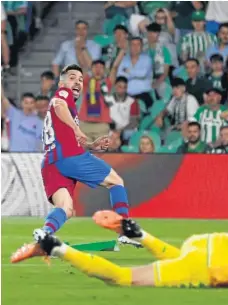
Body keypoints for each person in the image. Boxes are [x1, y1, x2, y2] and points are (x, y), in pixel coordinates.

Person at [17, 189, 228, 292]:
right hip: (207, 265)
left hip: (205, 244)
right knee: (123, 278)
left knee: (179, 259)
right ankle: (56, 246)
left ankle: (139, 234)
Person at [10, 64, 136, 263]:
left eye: (80, 79)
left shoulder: (67, 110)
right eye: (72, 77)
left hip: (51, 163)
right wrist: (77, 130)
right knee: (116, 181)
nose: (77, 82)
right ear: (61, 82)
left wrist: (91, 144)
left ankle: (44, 233)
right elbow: (60, 106)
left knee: (66, 208)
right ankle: (125, 229)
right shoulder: (63, 95)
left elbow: (67, 135)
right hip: (68, 157)